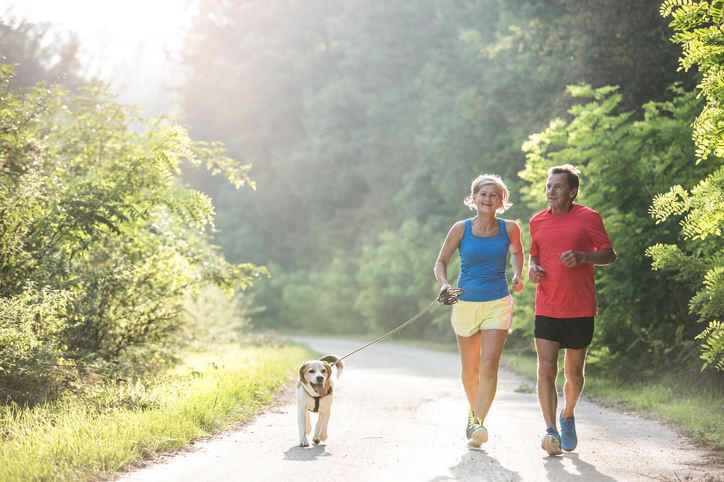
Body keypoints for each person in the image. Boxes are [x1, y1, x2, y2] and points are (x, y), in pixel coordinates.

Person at [528, 164, 616, 456]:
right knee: (545, 368)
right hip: (547, 304)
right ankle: (551, 430)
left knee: (574, 376)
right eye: (549, 186)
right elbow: (535, 254)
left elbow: (608, 254)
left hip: (579, 307)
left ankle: (567, 415)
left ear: (573, 191)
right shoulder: (537, 221)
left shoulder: (589, 218)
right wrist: (533, 269)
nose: (551, 192)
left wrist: (581, 256)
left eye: (558, 187)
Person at [434, 174, 525, 447]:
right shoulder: (461, 229)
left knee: (489, 365)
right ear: (473, 198)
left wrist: (518, 273)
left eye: (493, 195)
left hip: (497, 303)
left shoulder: (510, 228)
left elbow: (518, 252)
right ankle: (474, 413)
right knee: (470, 371)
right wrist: (445, 285)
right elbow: (441, 262)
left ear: (501, 200)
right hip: (465, 304)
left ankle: (478, 423)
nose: (488, 199)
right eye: (483, 194)